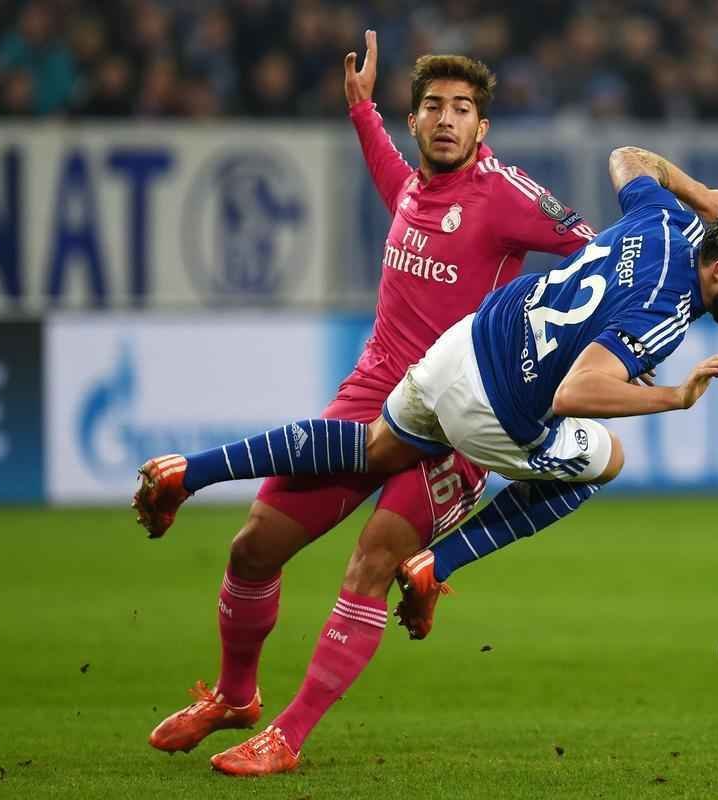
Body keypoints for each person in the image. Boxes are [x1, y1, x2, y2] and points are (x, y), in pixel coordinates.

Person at [144, 144, 718, 773]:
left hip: (465, 343)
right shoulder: (666, 312)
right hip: (496, 414)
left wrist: (703, 195)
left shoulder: (667, 217)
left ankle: (188, 472)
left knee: (374, 446)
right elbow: (577, 390)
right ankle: (429, 576)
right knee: (608, 461)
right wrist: (671, 397)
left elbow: (629, 155)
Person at [133, 30, 596, 776]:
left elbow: (596, 258)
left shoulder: (509, 196)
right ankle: (234, 697)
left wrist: (543, 350)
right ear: (414, 122)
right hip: (374, 395)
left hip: (459, 417)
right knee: (253, 547)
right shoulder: (412, 184)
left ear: (484, 127)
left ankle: (287, 736)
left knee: (371, 564)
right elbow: (387, 170)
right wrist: (360, 112)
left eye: (464, 109)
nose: (447, 119)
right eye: (434, 108)